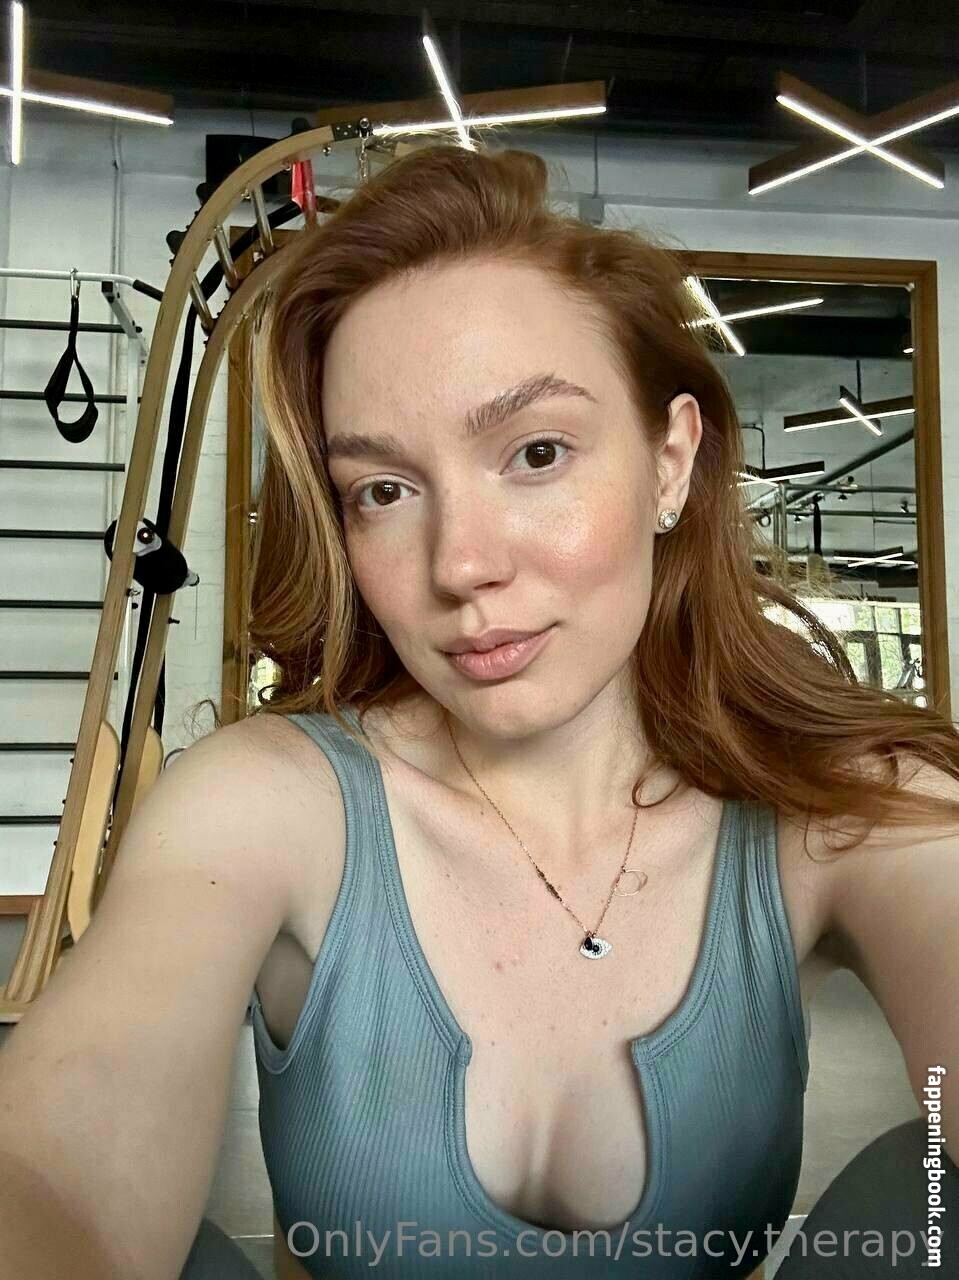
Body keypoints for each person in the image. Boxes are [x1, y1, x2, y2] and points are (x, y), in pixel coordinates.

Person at [0, 143, 956, 1279]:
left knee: (927, 1207)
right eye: (383, 490)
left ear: (669, 462)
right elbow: (53, 1175)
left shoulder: (841, 810)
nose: (459, 564)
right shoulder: (266, 803)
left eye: (536, 452)